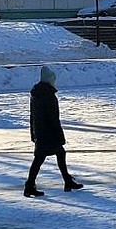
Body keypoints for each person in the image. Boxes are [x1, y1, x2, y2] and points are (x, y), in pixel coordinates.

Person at [25, 66, 84, 197]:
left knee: (55, 154)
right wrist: (60, 136)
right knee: (44, 158)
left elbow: (32, 117)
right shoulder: (49, 96)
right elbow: (54, 119)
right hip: (49, 134)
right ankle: (29, 186)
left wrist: (33, 134)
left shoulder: (36, 94)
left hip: (40, 133)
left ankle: (67, 181)